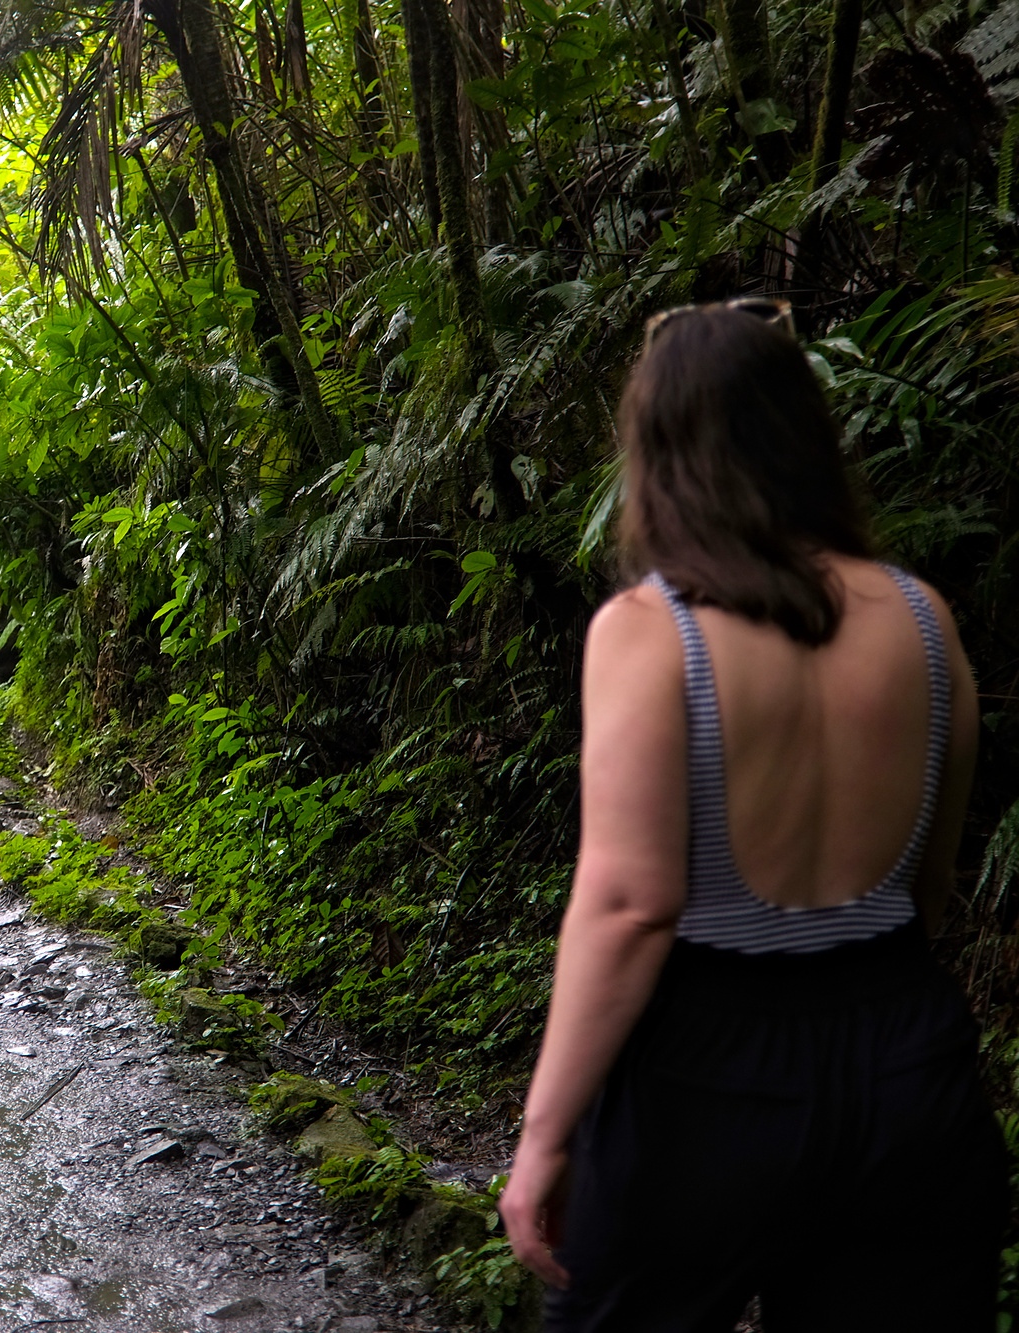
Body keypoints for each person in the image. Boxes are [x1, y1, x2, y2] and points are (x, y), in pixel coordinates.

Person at [495, 300, 1005, 1331]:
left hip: (703, 1075)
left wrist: (542, 1136)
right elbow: (929, 884)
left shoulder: (647, 631)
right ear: (805, 437)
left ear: (658, 451)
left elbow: (631, 903)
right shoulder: (918, 614)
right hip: (904, 1060)